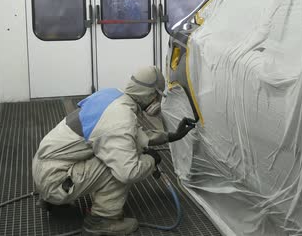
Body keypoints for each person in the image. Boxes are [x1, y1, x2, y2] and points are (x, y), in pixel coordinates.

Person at [32, 66, 196, 235]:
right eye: (157, 96)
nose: (157, 102)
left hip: (44, 167)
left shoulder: (112, 96)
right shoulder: (121, 118)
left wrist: (170, 136)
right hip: (54, 179)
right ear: (151, 95)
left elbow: (131, 134)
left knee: (120, 149)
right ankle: (102, 220)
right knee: (124, 161)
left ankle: (51, 200)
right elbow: (128, 172)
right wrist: (151, 160)